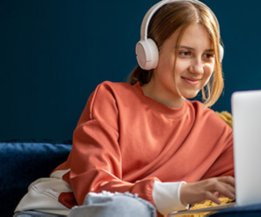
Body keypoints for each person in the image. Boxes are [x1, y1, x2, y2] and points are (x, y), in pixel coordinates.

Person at [14, 0, 235, 216]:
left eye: (208, 55)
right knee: (128, 208)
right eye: (185, 53)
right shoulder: (111, 98)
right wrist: (182, 192)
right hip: (59, 211)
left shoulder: (216, 131)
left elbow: (256, 182)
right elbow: (95, 190)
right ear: (150, 54)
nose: (198, 68)